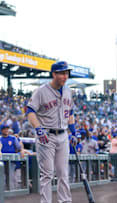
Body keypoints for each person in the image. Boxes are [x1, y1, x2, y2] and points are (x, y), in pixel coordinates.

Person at [26, 61, 74, 203]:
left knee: (63, 172)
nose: (65, 76)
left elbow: (70, 112)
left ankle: (65, 201)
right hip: (46, 135)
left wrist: (73, 131)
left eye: (66, 73)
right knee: (47, 174)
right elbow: (30, 111)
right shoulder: (41, 91)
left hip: (63, 134)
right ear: (54, 74)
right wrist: (38, 128)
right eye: (62, 73)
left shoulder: (68, 91)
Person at [0, 124, 24, 190]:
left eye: (7, 129)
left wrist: (21, 150)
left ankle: (11, 191)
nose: (6, 130)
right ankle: (3, 192)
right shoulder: (0, 139)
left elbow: (19, 147)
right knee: (3, 177)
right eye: (4, 129)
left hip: (11, 161)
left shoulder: (13, 138)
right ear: (2, 130)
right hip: (2, 161)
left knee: (10, 176)